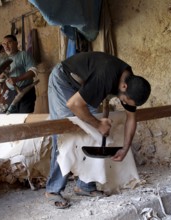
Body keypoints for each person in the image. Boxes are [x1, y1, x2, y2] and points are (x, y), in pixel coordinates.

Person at [45, 51, 151, 209]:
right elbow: (74, 104)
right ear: (124, 87)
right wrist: (98, 124)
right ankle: (53, 190)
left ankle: (84, 185)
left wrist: (125, 148)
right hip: (63, 80)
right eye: (125, 100)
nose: (125, 103)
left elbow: (131, 118)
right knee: (65, 133)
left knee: (93, 133)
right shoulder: (105, 77)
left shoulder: (131, 86)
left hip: (84, 86)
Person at [0, 34, 37, 113]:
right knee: (11, 118)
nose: (6, 47)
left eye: (9, 43)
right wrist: (3, 72)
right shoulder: (4, 60)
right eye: (4, 44)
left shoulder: (24, 55)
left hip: (26, 91)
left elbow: (33, 71)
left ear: (16, 43)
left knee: (24, 117)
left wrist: (17, 79)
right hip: (11, 93)